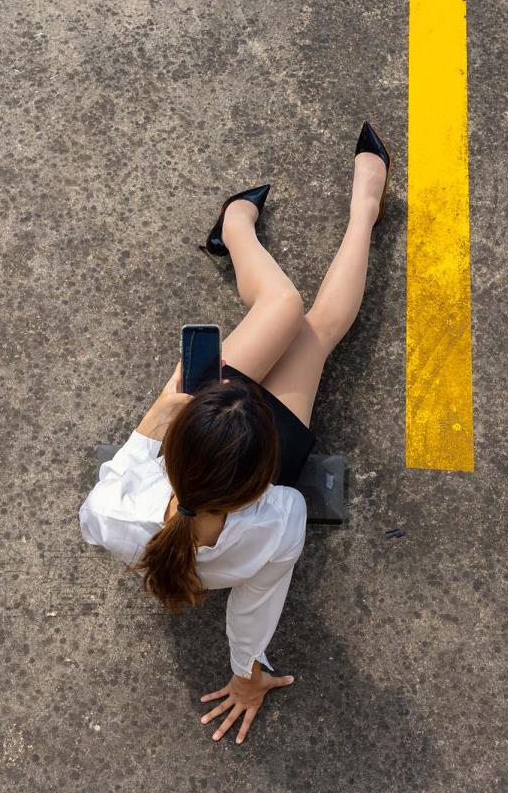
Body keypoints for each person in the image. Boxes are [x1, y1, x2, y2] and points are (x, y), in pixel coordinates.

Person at [78, 121, 391, 744]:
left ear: (179, 452)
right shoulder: (278, 520)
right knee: (304, 320)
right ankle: (349, 211)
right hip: (221, 435)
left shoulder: (127, 519)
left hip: (242, 444)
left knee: (302, 318)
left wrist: (155, 420)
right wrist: (162, 419)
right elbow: (255, 608)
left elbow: (110, 494)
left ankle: (268, 222)